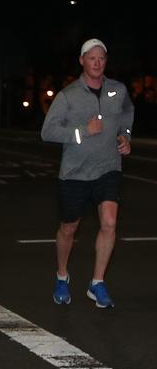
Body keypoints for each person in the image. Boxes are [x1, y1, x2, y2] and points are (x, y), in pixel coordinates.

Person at [41, 38, 134, 309]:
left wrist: (125, 137)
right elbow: (48, 132)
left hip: (108, 169)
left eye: (101, 58)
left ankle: (97, 283)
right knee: (68, 229)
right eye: (91, 58)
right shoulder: (68, 96)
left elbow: (127, 115)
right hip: (74, 173)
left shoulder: (118, 90)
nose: (97, 63)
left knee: (109, 222)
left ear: (105, 62)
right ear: (82, 61)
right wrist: (82, 132)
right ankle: (61, 276)